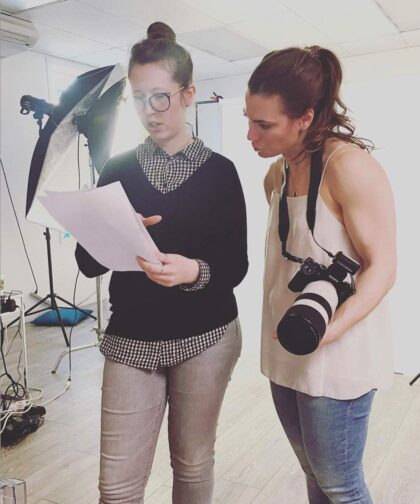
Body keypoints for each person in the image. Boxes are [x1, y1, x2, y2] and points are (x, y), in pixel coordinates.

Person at [75, 22, 248, 504]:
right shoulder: (117, 169)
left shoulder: (221, 172)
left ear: (188, 93)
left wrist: (193, 271)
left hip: (205, 337)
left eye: (160, 97)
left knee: (192, 465)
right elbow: (87, 264)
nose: (149, 112)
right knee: (118, 487)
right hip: (131, 338)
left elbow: (236, 264)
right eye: (137, 98)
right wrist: (112, 228)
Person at [245, 46, 396, 504]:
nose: (250, 134)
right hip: (287, 346)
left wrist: (333, 330)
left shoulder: (349, 167)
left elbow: (383, 267)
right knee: (313, 475)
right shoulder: (276, 175)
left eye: (264, 124)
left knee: (340, 486)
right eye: (248, 119)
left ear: (305, 117)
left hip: (338, 355)